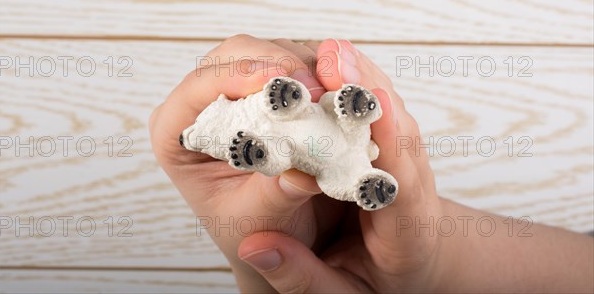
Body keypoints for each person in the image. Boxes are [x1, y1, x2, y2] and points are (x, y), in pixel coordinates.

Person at [149, 35, 594, 293]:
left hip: (325, 143)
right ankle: (354, 134)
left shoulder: (276, 111)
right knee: (301, 151)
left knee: (320, 155)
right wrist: (436, 258)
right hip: (330, 142)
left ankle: (359, 150)